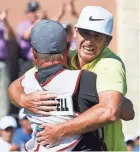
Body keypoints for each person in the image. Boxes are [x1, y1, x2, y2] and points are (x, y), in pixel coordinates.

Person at [8, 6, 135, 151]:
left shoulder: (110, 65)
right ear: (75, 32)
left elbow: (109, 111)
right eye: (85, 33)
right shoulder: (64, 56)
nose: (89, 41)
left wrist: (59, 131)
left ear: (108, 40)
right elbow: (15, 86)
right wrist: (23, 99)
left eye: (97, 36)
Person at [21, 19, 108, 151]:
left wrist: (22, 98)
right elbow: (119, 110)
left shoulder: (25, 84)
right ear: (68, 49)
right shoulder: (83, 79)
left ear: (33, 53)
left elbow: (12, 90)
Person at [0, 10, 16, 117]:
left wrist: (4, 20)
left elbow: (10, 35)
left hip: (1, 63)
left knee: (2, 92)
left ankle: (2, 119)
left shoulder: (2, 24)